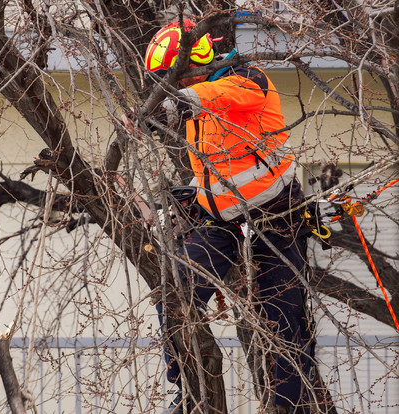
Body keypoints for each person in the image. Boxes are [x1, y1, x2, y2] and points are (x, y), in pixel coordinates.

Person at [144, 19, 315, 413]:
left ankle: (288, 406)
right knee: (176, 296)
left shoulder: (247, 79)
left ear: (195, 63)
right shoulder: (192, 96)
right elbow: (218, 155)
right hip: (219, 219)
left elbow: (220, 96)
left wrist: (179, 102)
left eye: (176, 76)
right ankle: (189, 390)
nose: (171, 85)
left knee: (283, 318)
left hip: (277, 213)